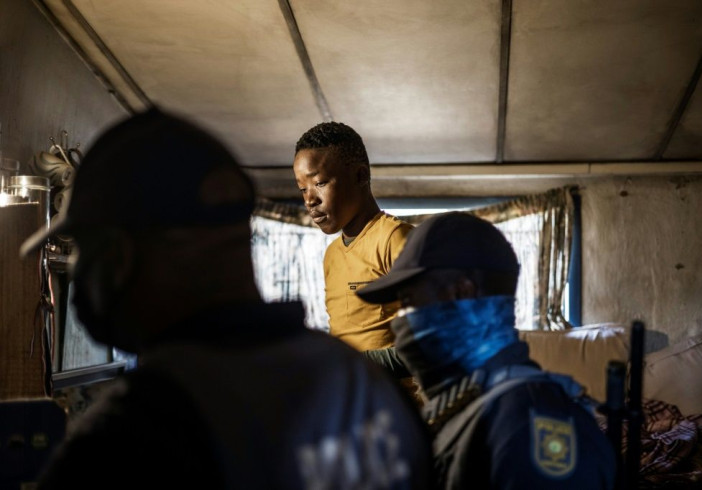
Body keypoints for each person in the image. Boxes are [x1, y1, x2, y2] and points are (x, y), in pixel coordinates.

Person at [21, 108, 433, 489]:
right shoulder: (369, 393)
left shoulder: (136, 431)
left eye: (90, 248)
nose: (309, 198)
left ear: (122, 255)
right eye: (301, 187)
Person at [357, 212, 617, 489]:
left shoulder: (526, 424)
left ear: (462, 293)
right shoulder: (468, 406)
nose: (400, 322)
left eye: (408, 302)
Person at [293, 122, 416, 384]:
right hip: (350, 403)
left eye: (320, 183)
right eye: (303, 188)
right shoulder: (332, 254)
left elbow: (437, 341)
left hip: (394, 409)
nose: (309, 199)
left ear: (360, 176)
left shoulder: (395, 238)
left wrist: (349, 362)